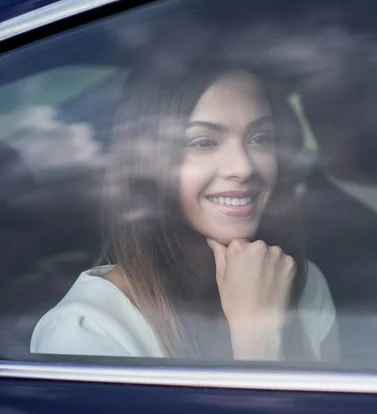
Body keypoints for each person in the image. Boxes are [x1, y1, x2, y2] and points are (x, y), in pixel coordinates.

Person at [30, 50, 338, 362]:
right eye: (203, 143)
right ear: (148, 163)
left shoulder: (301, 281)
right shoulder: (88, 331)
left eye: (259, 139)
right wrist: (257, 338)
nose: (243, 168)